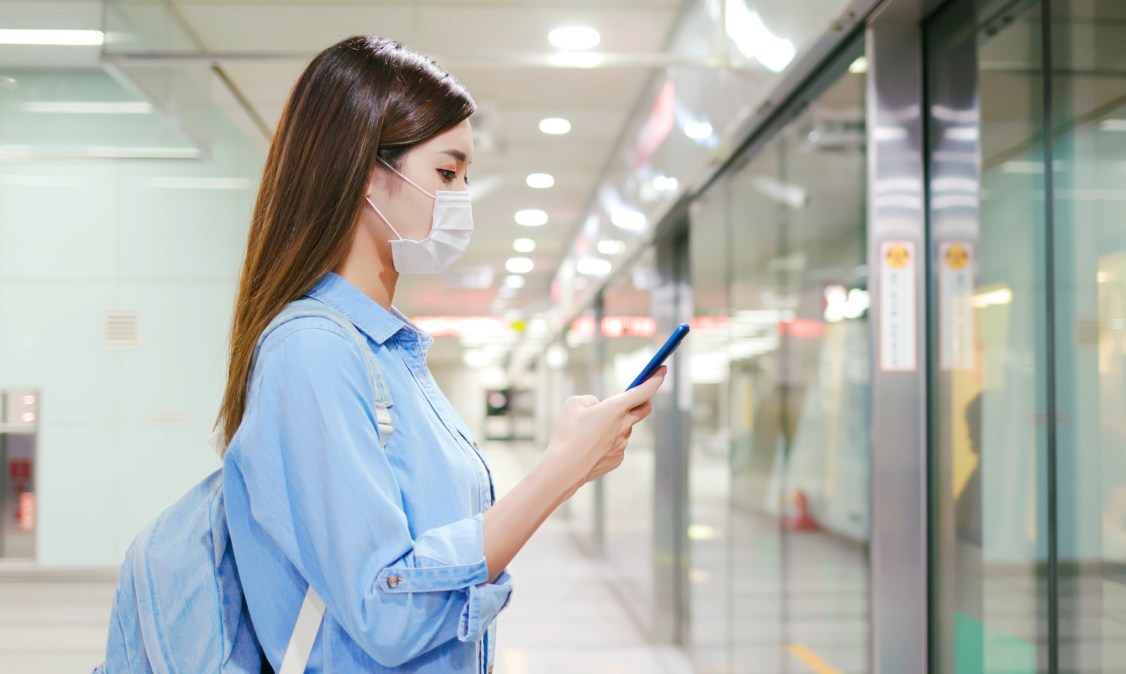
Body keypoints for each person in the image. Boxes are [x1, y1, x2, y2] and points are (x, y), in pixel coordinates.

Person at [212, 35, 666, 673]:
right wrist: (556, 473)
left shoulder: (389, 353)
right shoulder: (311, 352)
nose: (460, 198)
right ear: (367, 173)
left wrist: (574, 462)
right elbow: (386, 610)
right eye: (446, 173)